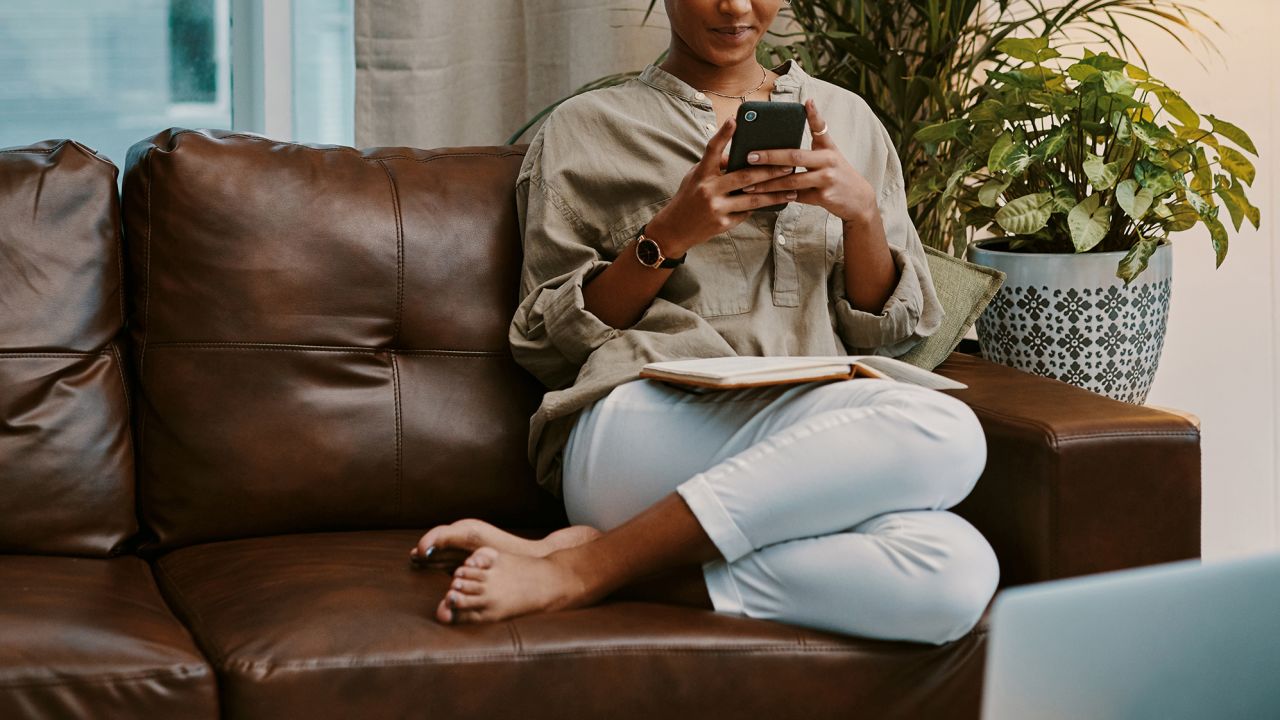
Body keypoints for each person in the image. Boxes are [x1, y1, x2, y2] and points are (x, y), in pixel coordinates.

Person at [410, 0, 1000, 646]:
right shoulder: (586, 128)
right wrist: (667, 236)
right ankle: (584, 569)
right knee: (946, 430)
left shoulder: (849, 120)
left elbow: (887, 332)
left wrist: (862, 219)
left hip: (806, 427)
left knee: (958, 574)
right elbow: (549, 343)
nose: (736, 7)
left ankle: (612, 562)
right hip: (642, 420)